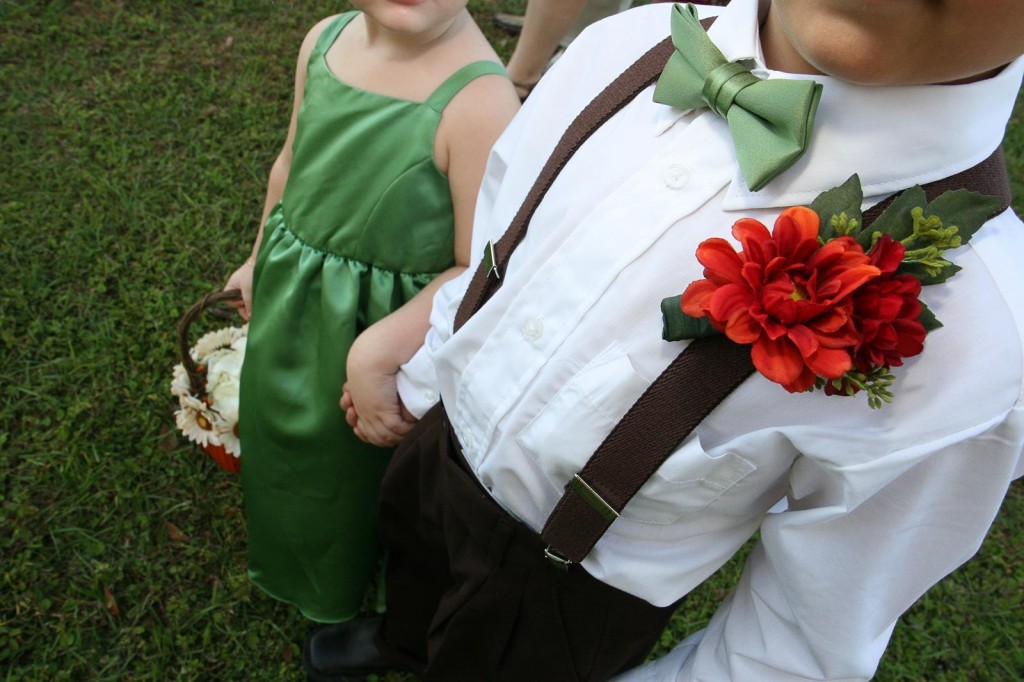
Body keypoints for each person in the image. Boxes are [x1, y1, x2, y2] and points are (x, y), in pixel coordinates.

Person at [313, 0, 1024, 679]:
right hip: (442, 441)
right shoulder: (630, 43)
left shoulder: (979, 327)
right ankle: (402, 638)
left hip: (562, 583)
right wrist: (424, 376)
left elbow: (800, 638)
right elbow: (508, 225)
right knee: (413, 558)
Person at [222, 0, 519, 629]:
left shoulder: (480, 102)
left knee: (346, 472)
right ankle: (288, 548)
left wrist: (375, 350)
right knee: (280, 433)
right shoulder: (323, 42)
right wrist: (255, 260)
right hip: (292, 290)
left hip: (381, 324)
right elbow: (289, 164)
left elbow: (478, 266)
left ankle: (347, 584)